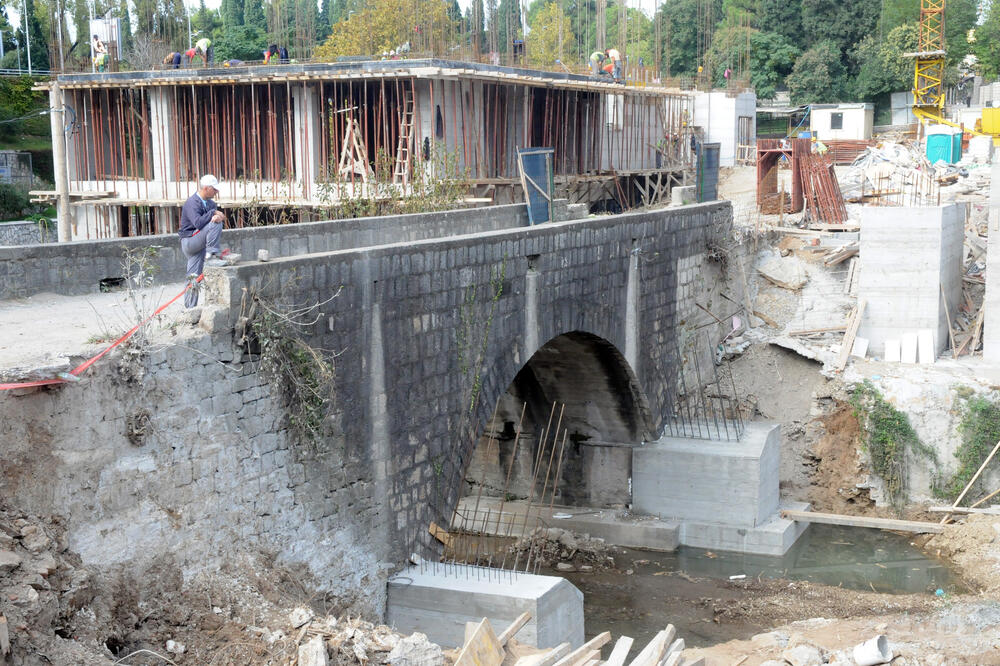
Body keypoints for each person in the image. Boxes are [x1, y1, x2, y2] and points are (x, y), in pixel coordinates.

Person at [179, 174, 227, 308]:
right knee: (215, 224)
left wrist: (217, 214)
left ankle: (190, 308)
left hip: (199, 244)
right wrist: (213, 214)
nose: (216, 192)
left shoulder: (211, 203)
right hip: (189, 241)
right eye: (214, 189)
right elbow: (198, 223)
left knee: (193, 276)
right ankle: (211, 254)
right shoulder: (192, 202)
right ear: (206, 188)